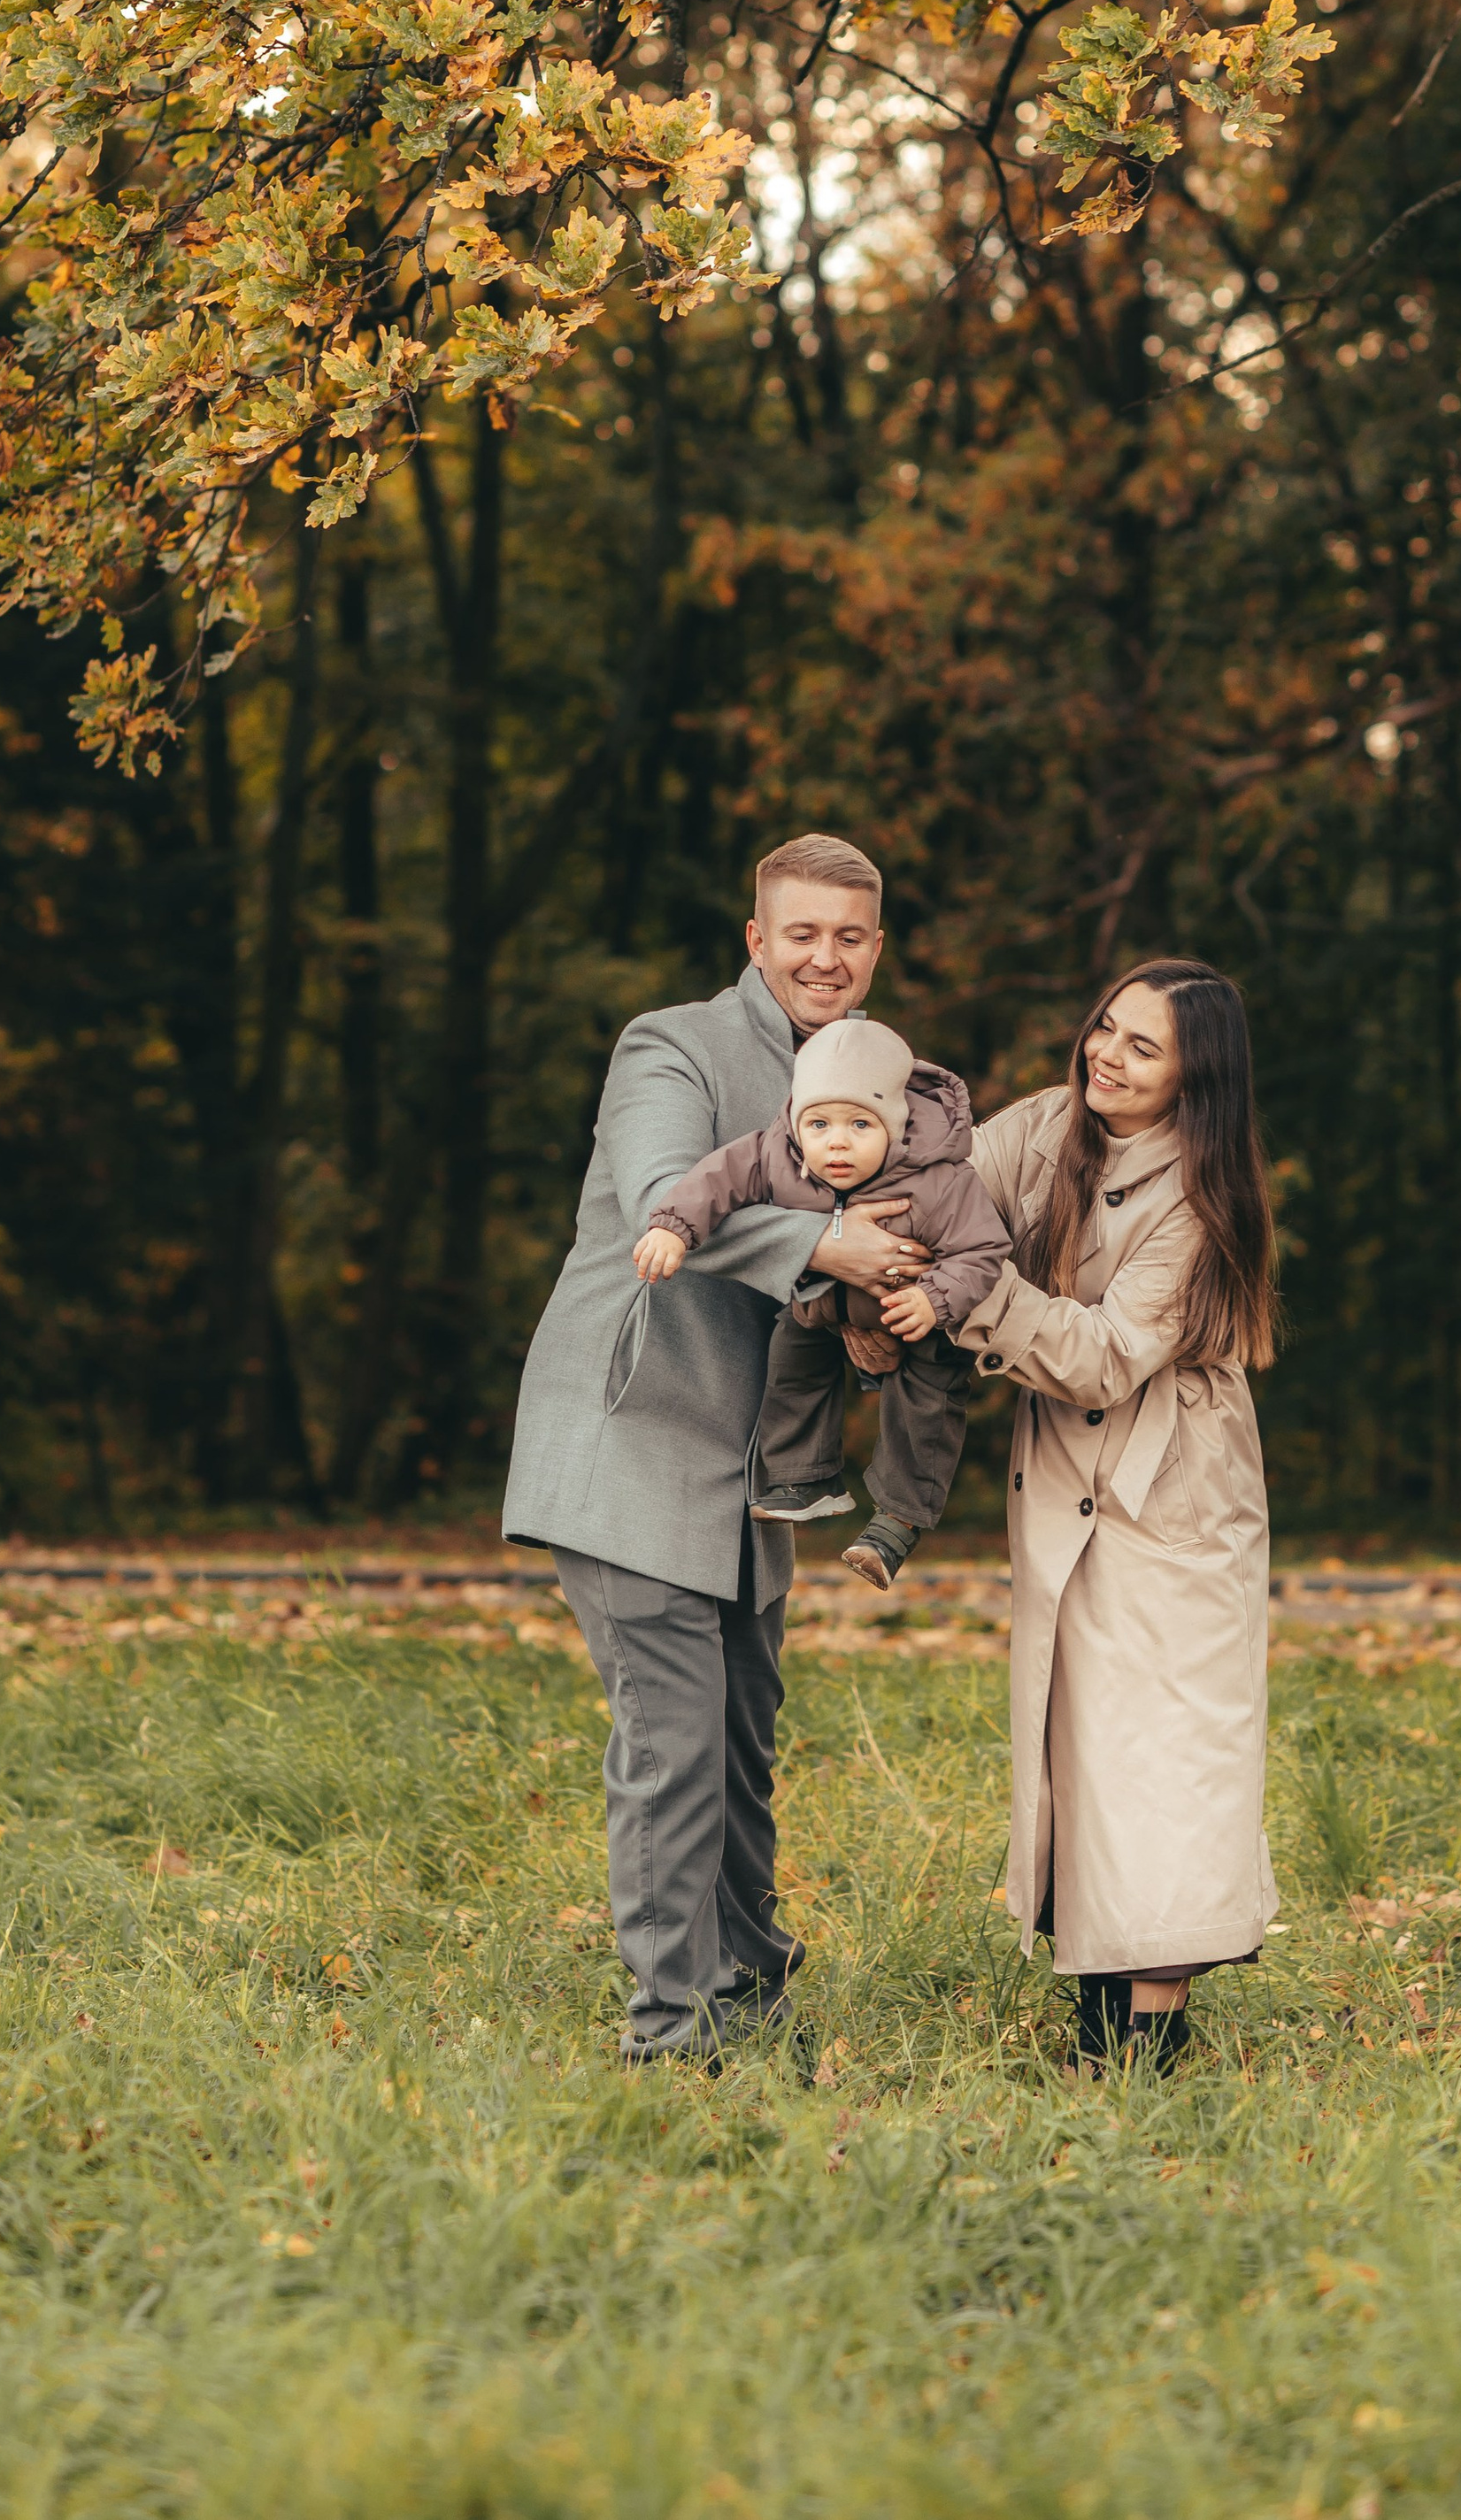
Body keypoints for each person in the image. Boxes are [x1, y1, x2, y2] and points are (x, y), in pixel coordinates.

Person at [502, 834, 933, 2066]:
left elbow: (912, 1226)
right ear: (756, 939)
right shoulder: (671, 1046)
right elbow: (663, 1193)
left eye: (848, 936)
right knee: (677, 1744)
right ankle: (671, 2033)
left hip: (755, 1469)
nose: (825, 957)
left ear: (877, 948)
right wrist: (828, 1249)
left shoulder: (879, 1077)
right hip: (632, 1437)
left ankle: (749, 1998)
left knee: (741, 1747)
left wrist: (880, 1315)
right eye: (801, 932)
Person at [957, 959, 1280, 2072]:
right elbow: (942, 1184)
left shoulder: (1198, 1197)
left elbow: (1100, 1358)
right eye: (1106, 1026)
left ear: (1197, 1077)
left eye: (1144, 1047)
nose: (1106, 1053)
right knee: (1085, 1739)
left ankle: (1152, 2031)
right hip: (1069, 1472)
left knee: (1169, 1748)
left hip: (1170, 1486)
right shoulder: (1048, 1125)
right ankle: (1102, 2010)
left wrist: (970, 1288)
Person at [633, 1015, 1012, 1589]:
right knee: (791, 1356)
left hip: (916, 1313)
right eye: (819, 1123)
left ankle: (898, 1520)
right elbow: (716, 1179)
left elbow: (984, 1249)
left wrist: (934, 1298)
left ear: (895, 1125)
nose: (837, 1141)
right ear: (795, 1123)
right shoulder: (778, 1155)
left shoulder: (939, 1180)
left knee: (926, 1401)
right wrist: (673, 1226)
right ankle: (805, 1478)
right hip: (825, 1304)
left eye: (860, 1124)